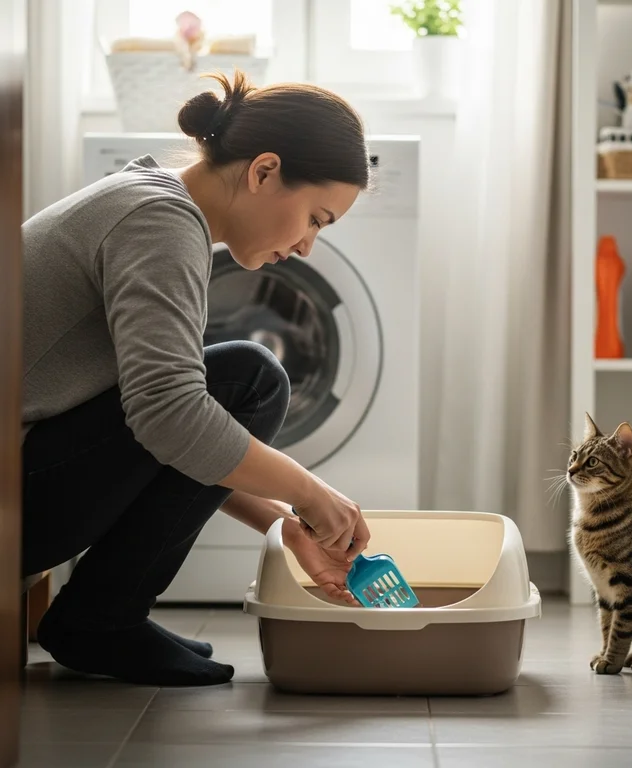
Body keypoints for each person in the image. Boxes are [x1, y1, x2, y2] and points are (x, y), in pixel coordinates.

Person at [22, 70, 372, 687]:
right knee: (248, 379)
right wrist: (311, 493)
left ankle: (104, 617)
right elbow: (169, 417)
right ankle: (102, 619)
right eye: (315, 218)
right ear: (264, 171)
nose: (308, 246)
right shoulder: (159, 222)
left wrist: (282, 525)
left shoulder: (146, 198)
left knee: (224, 382)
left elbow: (153, 423)